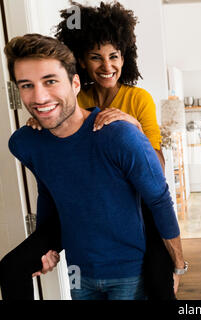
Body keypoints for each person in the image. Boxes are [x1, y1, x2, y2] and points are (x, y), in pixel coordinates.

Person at [0, 2, 177, 300]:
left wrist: (133, 127)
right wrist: (42, 117)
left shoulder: (138, 98)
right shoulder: (73, 96)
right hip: (81, 209)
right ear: (81, 64)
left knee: (159, 278)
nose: (107, 67)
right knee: (13, 267)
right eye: (96, 57)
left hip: (134, 207)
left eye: (114, 57)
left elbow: (155, 170)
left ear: (125, 57)